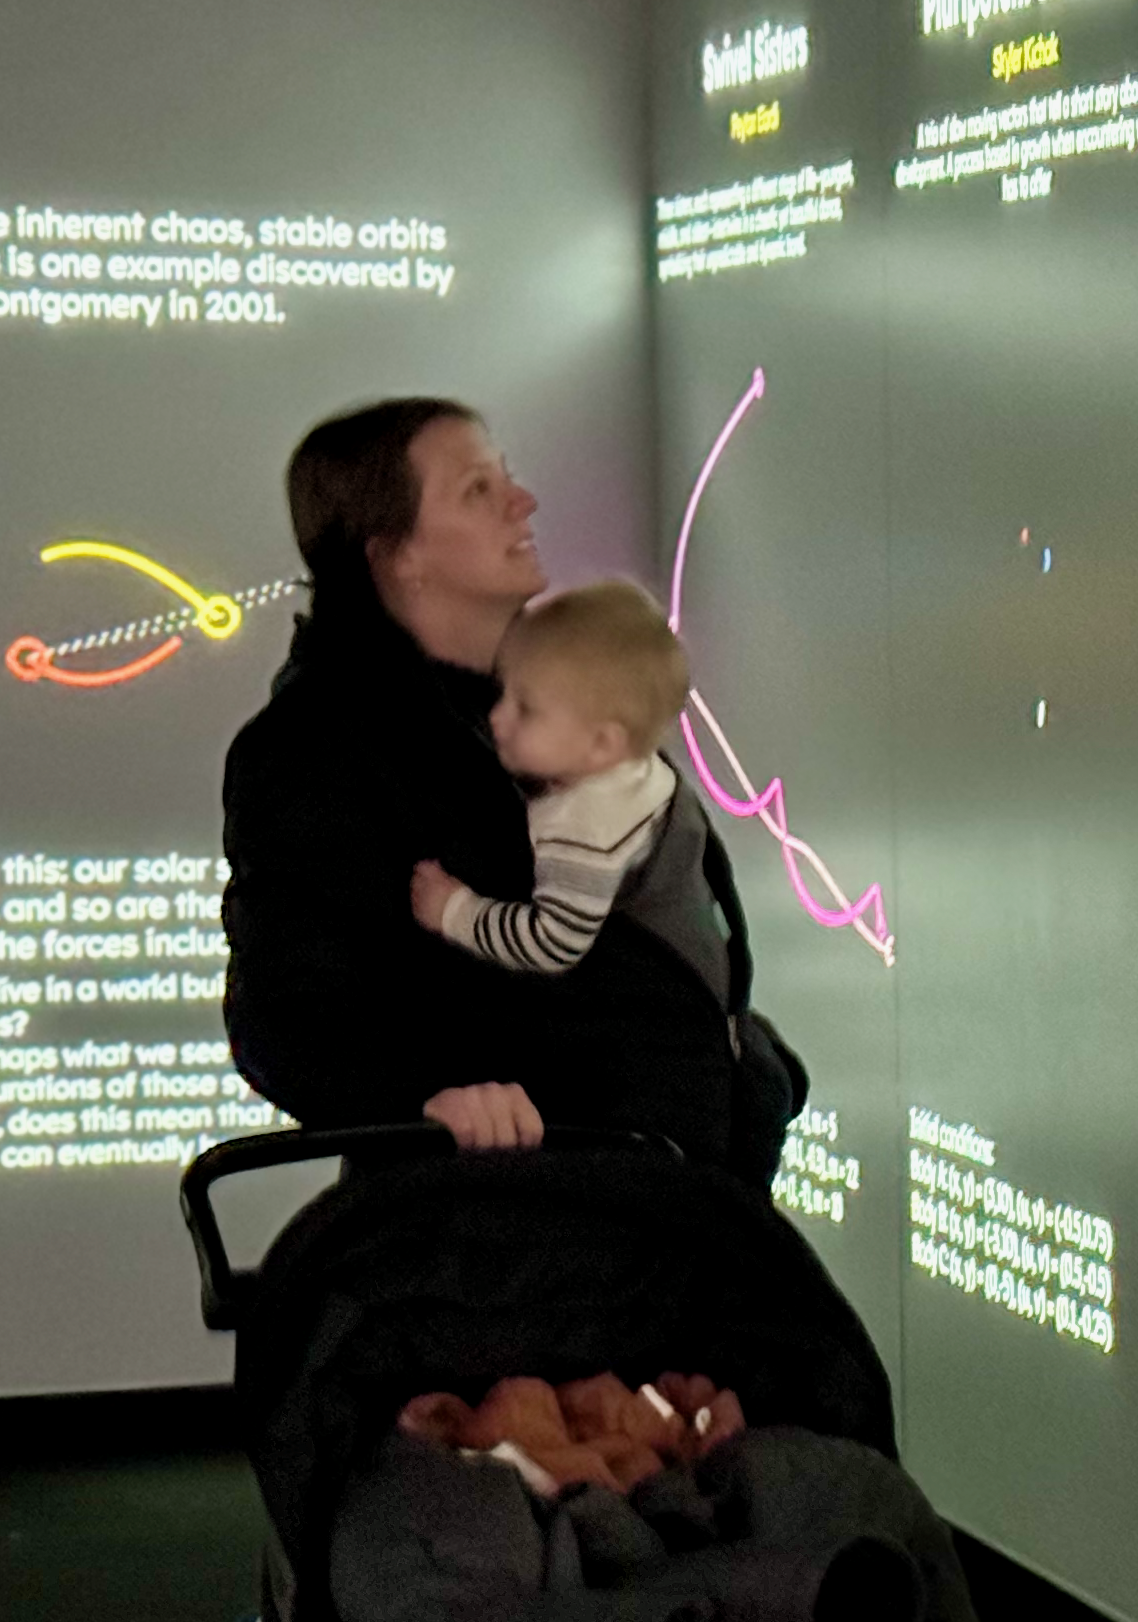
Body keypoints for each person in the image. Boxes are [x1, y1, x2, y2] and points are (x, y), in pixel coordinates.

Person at [221, 397, 801, 1174]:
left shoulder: (534, 696)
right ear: (397, 555)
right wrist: (426, 1098)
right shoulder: (313, 748)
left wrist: (756, 1067)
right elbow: (286, 1013)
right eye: (477, 491)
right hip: (513, 1241)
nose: (522, 503)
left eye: (508, 480)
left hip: (670, 1199)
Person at [404, 584, 742, 1153]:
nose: (499, 718)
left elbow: (554, 941)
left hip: (658, 1080)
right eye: (505, 694)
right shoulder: (635, 774)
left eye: (526, 709)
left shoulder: (585, 828)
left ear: (600, 744)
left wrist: (453, 911)